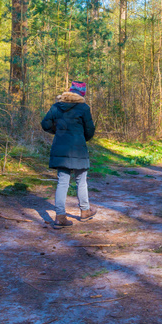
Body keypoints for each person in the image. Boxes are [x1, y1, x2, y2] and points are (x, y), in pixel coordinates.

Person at [41, 81, 97, 227]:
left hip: (60, 148)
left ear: (70, 91)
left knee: (62, 182)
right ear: (82, 94)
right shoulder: (84, 108)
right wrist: (81, 137)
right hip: (78, 149)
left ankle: (60, 216)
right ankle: (85, 211)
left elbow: (45, 124)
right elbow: (90, 129)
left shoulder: (57, 106)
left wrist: (59, 132)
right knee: (81, 181)